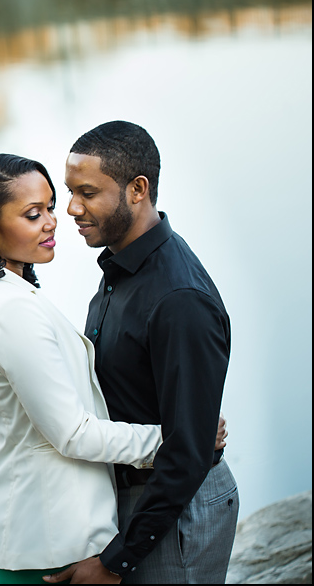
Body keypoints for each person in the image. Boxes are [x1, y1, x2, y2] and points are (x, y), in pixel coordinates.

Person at [0, 154, 226, 584]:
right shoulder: (10, 308)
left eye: (51, 206)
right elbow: (72, 432)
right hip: (51, 536)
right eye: (33, 214)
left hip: (31, 524)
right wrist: (178, 438)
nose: (55, 220)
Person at [43, 120, 239, 584]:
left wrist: (117, 560)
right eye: (70, 191)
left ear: (137, 189)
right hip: (143, 495)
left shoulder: (178, 298)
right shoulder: (124, 263)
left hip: (175, 510)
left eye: (87, 192)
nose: (71, 208)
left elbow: (188, 453)